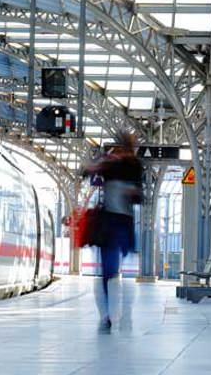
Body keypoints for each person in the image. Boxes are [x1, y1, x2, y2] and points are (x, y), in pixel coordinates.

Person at [83, 132, 143, 332]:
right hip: (119, 224)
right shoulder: (130, 165)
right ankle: (120, 313)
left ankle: (108, 314)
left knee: (108, 273)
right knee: (119, 273)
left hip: (111, 224)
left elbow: (87, 171)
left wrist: (97, 163)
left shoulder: (121, 164)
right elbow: (139, 197)